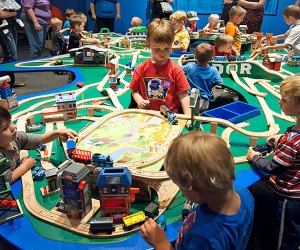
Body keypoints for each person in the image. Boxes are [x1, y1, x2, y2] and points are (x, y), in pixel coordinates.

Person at [141, 132, 254, 250]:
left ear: (194, 189)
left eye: (180, 187)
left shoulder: (204, 239)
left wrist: (161, 244)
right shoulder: (244, 193)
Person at [246, 75, 300, 250]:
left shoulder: (292, 141)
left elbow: (273, 167)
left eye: (283, 99)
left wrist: (255, 157)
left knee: (283, 235)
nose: (279, 103)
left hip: (288, 198)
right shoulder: (292, 137)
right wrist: (281, 139)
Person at [129, 18, 191, 118]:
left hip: (170, 117)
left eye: (166, 48)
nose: (162, 52)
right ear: (148, 44)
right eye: (157, 48)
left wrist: (188, 116)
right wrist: (139, 100)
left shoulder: (176, 70)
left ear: (171, 44)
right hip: (146, 116)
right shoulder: (141, 68)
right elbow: (135, 91)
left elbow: (183, 95)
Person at [0, 106, 77, 184]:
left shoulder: (17, 137)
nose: (13, 127)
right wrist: (24, 167)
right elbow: (5, 180)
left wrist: (58, 132)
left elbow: (41, 139)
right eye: (5, 128)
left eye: (10, 121)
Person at [182, 43, 223, 115]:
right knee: (201, 116)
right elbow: (220, 83)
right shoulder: (213, 70)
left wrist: (180, 59)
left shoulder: (189, 67)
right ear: (211, 58)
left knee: (189, 116)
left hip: (190, 96)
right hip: (204, 98)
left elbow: (179, 70)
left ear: (195, 56)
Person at [0, 0, 25, 88]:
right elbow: (1, 14)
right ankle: (5, 84)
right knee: (11, 55)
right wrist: (13, 13)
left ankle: (9, 82)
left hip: (11, 25)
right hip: (3, 28)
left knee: (10, 55)